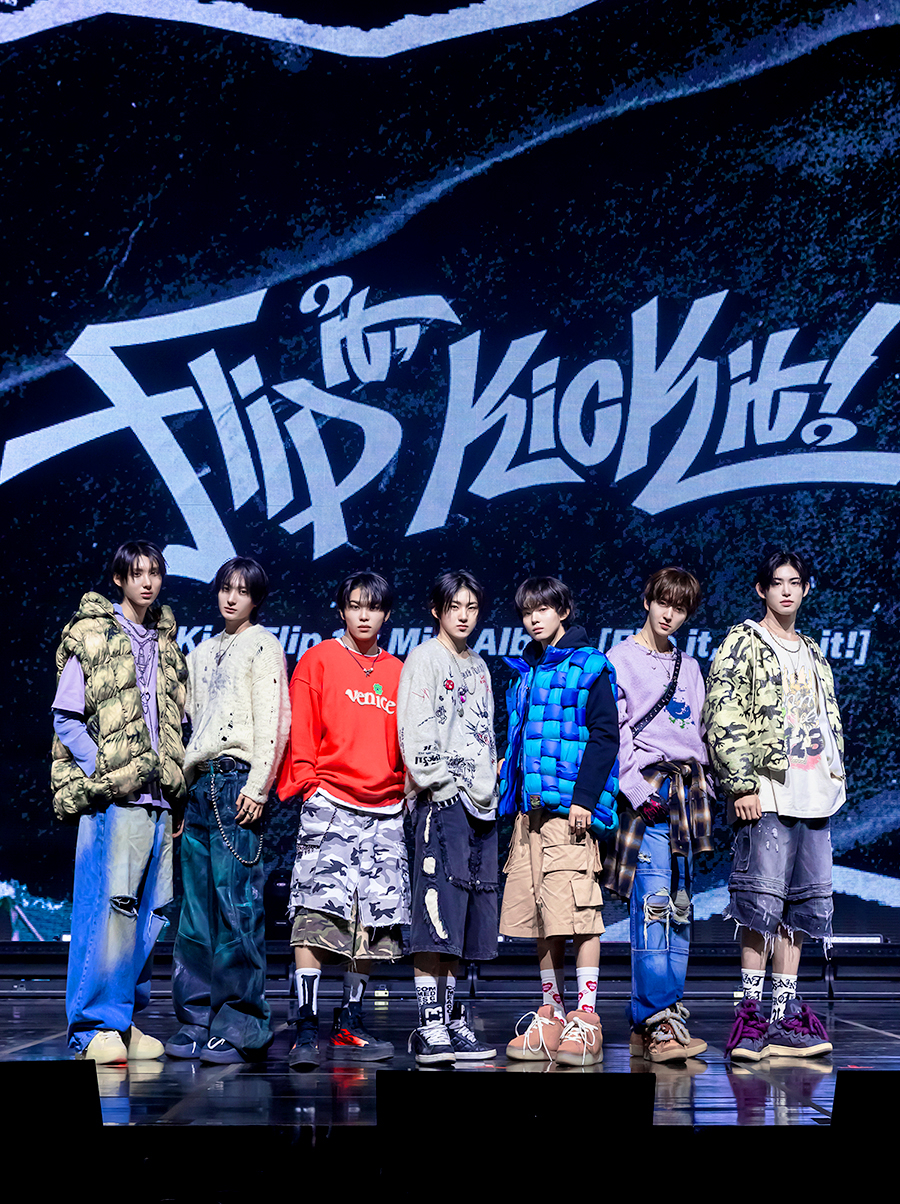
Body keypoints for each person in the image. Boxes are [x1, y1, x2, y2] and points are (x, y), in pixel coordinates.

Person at [704, 550, 844, 1060]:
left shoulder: (814, 651)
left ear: (806, 589)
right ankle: (749, 1016)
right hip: (766, 792)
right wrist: (742, 784)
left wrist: (834, 778)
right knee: (759, 905)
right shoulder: (744, 640)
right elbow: (723, 711)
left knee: (801, 910)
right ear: (761, 589)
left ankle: (783, 1017)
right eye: (777, 582)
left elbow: (826, 718)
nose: (786, 590)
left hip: (813, 795)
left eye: (795, 582)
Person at [51, 540, 188, 1062]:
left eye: (154, 573)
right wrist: (107, 773)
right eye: (137, 573)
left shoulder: (166, 643)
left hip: (158, 801)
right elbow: (66, 717)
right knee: (109, 910)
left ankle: (122, 1019)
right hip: (117, 800)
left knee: (151, 912)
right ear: (119, 579)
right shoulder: (92, 634)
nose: (147, 582)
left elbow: (175, 722)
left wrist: (174, 795)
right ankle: (92, 1028)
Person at [277, 572, 408, 1069]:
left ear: (386, 615)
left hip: (385, 810)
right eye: (354, 606)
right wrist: (310, 784)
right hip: (330, 802)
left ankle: (349, 1021)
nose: (363, 615)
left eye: (372, 607)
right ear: (341, 611)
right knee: (314, 914)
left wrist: (403, 788)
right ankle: (305, 1025)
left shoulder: (398, 671)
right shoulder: (319, 660)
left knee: (374, 919)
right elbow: (302, 730)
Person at [166, 557, 290, 1064]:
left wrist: (259, 787)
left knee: (236, 905)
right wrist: (179, 793)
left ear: (256, 599)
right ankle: (197, 1018)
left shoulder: (263, 644)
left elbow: (274, 720)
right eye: (225, 588)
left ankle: (242, 1024)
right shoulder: (202, 651)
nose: (231, 597)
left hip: (237, 782)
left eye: (242, 590)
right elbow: (186, 720)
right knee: (195, 912)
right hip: (199, 786)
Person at [497, 577, 618, 1067]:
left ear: (563, 611)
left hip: (570, 811)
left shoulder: (589, 664)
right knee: (541, 916)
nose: (535, 618)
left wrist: (584, 799)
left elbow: (605, 737)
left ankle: (586, 1017)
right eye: (528, 611)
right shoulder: (525, 671)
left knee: (579, 913)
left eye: (544, 609)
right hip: (529, 814)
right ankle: (553, 1011)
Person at [600, 567, 714, 1063]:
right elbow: (614, 730)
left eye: (681, 608)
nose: (670, 614)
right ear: (647, 600)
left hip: (687, 797)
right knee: (653, 907)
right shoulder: (619, 659)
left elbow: (699, 734)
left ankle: (662, 1018)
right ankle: (655, 1019)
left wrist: (706, 789)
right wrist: (634, 788)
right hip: (647, 793)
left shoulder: (690, 666)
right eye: (663, 602)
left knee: (682, 911)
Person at [397, 570, 499, 1065]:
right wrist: (440, 785)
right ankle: (428, 1024)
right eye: (454, 606)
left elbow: (485, 734)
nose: (463, 615)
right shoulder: (424, 658)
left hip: (481, 804)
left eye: (471, 607)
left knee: (463, 919)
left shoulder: (478, 665)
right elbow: (414, 731)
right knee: (434, 911)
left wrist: (489, 788)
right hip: (442, 800)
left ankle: (452, 1019)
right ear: (437, 610)